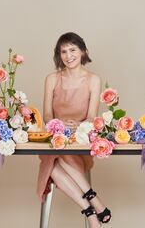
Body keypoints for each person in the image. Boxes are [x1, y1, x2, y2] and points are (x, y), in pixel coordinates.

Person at [37, 32, 111, 227]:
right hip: (55, 136)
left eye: (72, 50)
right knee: (55, 154)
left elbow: (92, 117)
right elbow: (46, 114)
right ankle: (93, 207)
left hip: (80, 139)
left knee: (55, 162)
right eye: (63, 51)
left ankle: (91, 212)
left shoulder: (93, 79)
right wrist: (57, 127)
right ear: (58, 55)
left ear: (83, 52)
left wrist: (78, 126)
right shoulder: (52, 79)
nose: (68, 55)